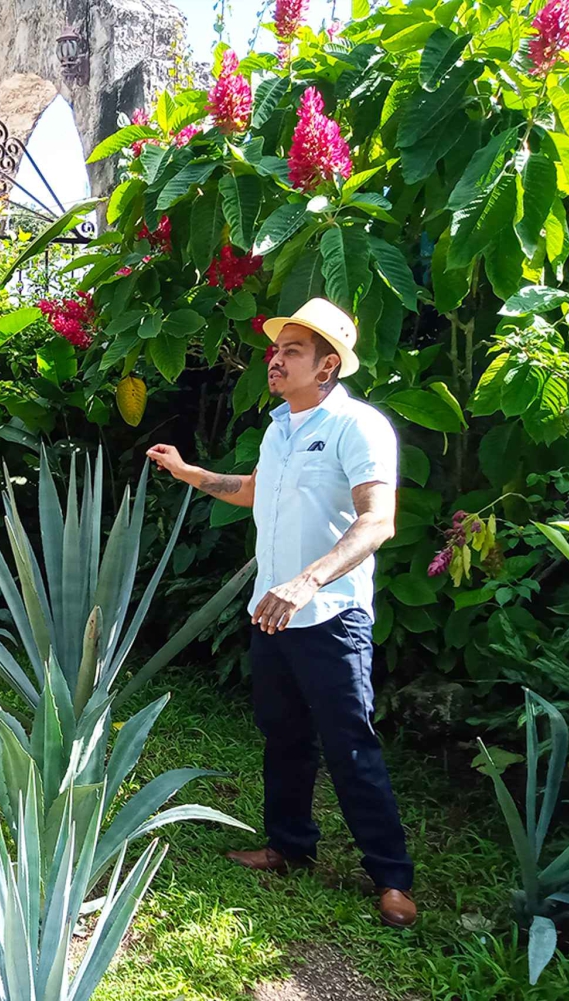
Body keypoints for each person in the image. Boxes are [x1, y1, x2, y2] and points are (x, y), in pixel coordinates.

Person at [146, 297, 417, 929]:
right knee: (284, 738)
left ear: (327, 367)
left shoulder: (359, 426)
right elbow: (251, 491)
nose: (276, 358)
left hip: (330, 616)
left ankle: (392, 878)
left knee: (352, 747)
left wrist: (308, 581)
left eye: (292, 351)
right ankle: (289, 846)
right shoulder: (278, 428)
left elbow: (379, 520)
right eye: (278, 348)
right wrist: (189, 472)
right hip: (271, 614)